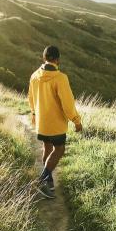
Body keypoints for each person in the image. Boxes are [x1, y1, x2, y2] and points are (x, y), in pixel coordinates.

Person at [28, 45, 82, 198]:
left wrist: (33, 114)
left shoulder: (34, 76)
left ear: (43, 58)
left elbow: (30, 98)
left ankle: (49, 183)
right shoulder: (60, 78)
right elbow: (68, 103)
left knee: (47, 147)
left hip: (41, 121)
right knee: (59, 150)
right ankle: (42, 180)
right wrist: (76, 121)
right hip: (56, 123)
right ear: (58, 60)